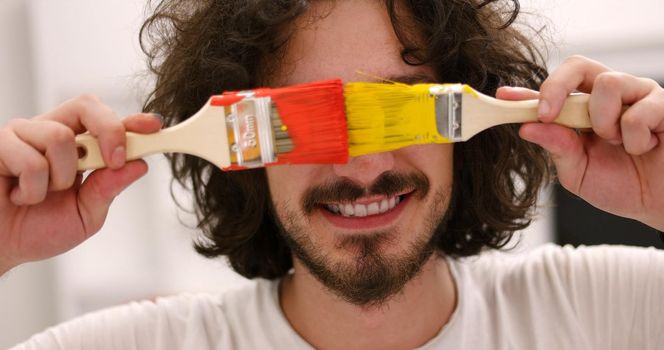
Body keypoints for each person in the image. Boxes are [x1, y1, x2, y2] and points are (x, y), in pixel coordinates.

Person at [3, 0, 664, 349]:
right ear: (249, 161)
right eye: (297, 121)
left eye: (399, 110)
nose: (361, 166)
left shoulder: (611, 313)